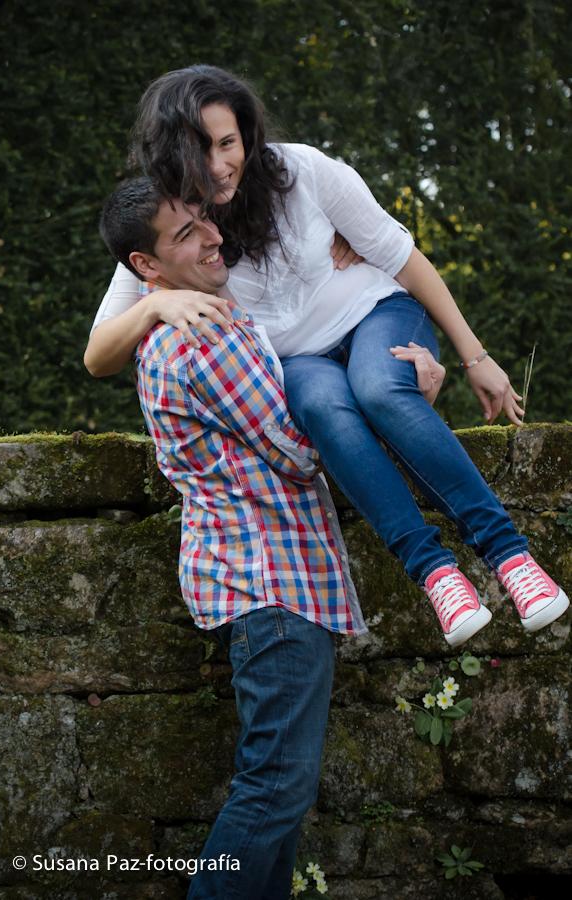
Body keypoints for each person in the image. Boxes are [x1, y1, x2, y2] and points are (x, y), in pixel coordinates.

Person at [85, 66, 569, 647]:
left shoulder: (303, 171)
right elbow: (98, 355)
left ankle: (511, 557)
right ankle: (437, 574)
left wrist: (476, 356)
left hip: (377, 314)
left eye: (228, 143)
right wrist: (155, 307)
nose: (217, 165)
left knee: (379, 389)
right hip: (301, 360)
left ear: (247, 135)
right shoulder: (171, 222)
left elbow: (403, 258)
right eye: (198, 149)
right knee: (320, 404)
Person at [97, 175, 443, 899]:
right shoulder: (208, 336)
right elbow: (303, 448)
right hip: (271, 587)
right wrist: (394, 402)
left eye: (205, 220)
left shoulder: (191, 322)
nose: (212, 235)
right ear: (146, 267)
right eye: (184, 234)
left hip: (265, 586)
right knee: (274, 791)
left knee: (280, 797)